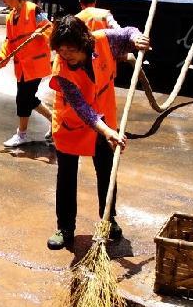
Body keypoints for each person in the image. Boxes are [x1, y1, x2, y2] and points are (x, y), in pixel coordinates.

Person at [46, 15, 150, 251]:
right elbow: (82, 108)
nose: (66, 55)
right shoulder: (61, 69)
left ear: (84, 43)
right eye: (61, 51)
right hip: (71, 125)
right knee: (66, 176)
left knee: (107, 172)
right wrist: (106, 131)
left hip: (106, 121)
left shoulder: (102, 41)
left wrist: (137, 38)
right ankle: (65, 228)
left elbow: (127, 32)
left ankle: (108, 220)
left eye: (71, 50)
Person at [0, 0, 54, 147]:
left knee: (23, 99)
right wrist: (0, 59)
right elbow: (9, 42)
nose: (4, 0)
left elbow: (50, 29)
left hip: (36, 65)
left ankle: (22, 134)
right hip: (22, 67)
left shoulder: (34, 11)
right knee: (27, 98)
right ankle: (54, 120)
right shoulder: (11, 17)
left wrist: (40, 32)